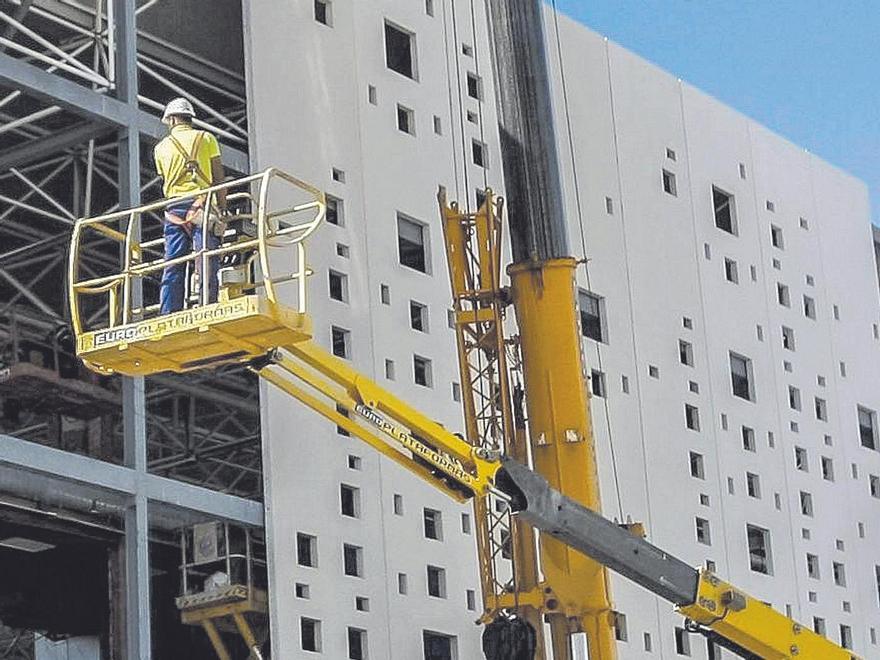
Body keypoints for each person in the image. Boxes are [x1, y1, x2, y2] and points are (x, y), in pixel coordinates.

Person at [153, 97, 227, 314]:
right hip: (203, 205)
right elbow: (218, 178)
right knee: (205, 257)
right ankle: (207, 306)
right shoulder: (206, 139)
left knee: (173, 262)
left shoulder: (161, 148)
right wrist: (222, 209)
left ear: (172, 119)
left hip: (174, 209)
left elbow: (164, 176)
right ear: (189, 118)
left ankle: (168, 312)